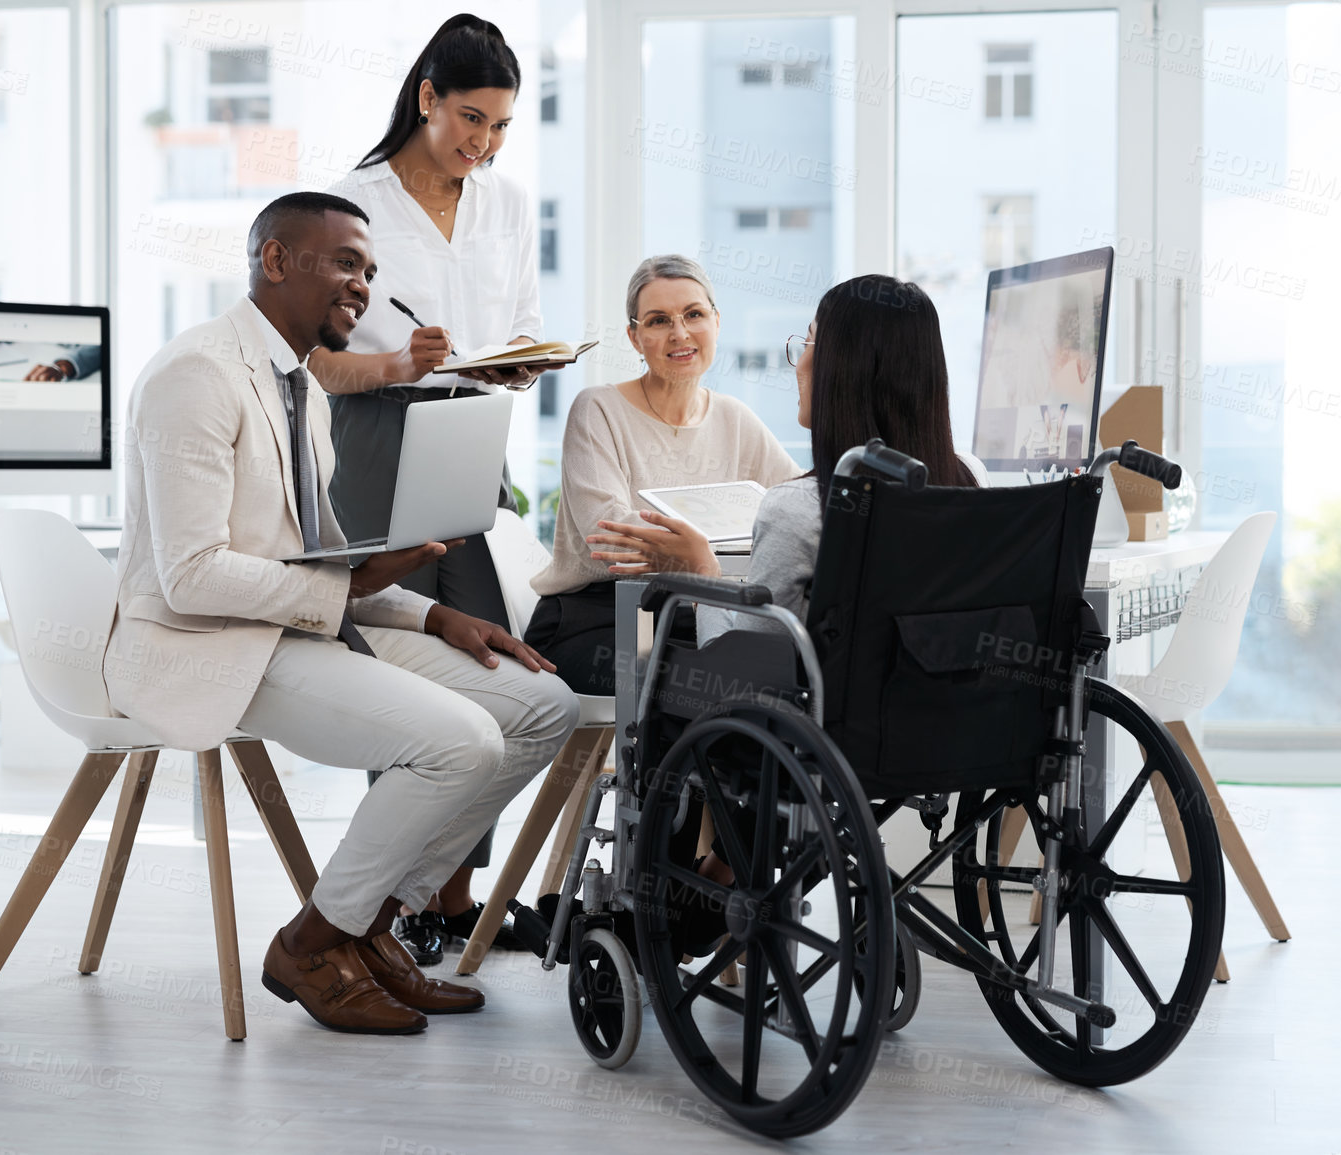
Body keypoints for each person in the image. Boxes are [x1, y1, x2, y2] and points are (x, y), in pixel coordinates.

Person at [103, 190, 579, 1035]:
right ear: (275, 259)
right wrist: (351, 592)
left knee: (545, 705)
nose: (361, 287)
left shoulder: (303, 389)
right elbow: (190, 576)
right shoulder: (197, 375)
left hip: (292, 627)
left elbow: (310, 557)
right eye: (345, 264)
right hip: (211, 643)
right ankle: (313, 942)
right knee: (458, 740)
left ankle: (368, 924)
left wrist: (434, 618)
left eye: (369, 269)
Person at [312, 15, 542, 962]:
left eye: (499, 128)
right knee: (395, 671)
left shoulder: (507, 204)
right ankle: (378, 911)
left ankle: (449, 897)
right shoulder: (346, 205)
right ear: (426, 99)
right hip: (374, 432)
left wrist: (522, 363)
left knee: (490, 660)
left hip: (469, 432)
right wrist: (398, 363)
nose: (482, 145)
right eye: (470, 121)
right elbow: (315, 361)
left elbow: (521, 318)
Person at [590, 272, 987, 633]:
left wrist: (704, 571)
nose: (798, 363)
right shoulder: (971, 479)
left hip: (817, 711)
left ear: (840, 370)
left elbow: (742, 668)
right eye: (659, 320)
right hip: (949, 710)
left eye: (810, 342)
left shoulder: (795, 508)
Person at [525, 254, 802, 695]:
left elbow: (796, 505)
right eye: (658, 321)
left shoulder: (734, 418)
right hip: (596, 620)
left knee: (778, 668)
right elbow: (611, 540)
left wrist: (697, 556)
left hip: (695, 612)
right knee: (719, 682)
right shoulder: (597, 409)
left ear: (716, 320)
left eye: (694, 314)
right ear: (635, 338)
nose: (680, 333)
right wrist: (703, 554)